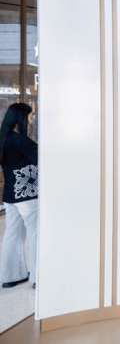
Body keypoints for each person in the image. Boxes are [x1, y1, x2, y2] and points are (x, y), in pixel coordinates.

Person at [0, 103, 38, 289]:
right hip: (27, 194)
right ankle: (38, 278)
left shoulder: (3, 138)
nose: (30, 120)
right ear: (20, 118)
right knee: (35, 233)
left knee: (12, 234)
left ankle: (10, 276)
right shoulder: (20, 140)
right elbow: (41, 156)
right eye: (29, 116)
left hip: (10, 194)